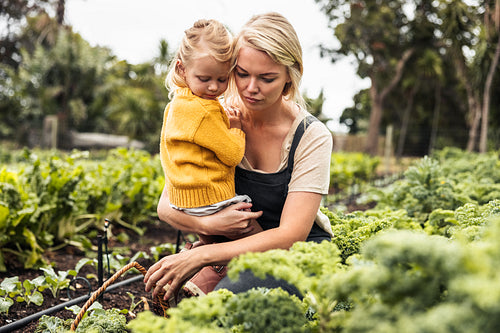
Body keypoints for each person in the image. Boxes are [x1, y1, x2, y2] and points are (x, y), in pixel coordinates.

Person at [145, 12, 333, 302]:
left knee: (228, 303)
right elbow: (166, 206)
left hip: (297, 254)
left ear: (290, 76)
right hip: (231, 247)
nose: (250, 88)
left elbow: (290, 236)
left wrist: (204, 254)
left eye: (266, 78)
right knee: (174, 303)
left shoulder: (310, 137)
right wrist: (208, 227)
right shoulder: (217, 119)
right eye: (242, 73)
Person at [158, 18, 262, 299]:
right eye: (205, 79)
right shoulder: (206, 110)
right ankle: (212, 260)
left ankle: (208, 261)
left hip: (183, 200)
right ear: (182, 68)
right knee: (257, 238)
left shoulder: (176, 105)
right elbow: (231, 154)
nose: (214, 88)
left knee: (220, 239)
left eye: (221, 79)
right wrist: (237, 129)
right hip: (212, 198)